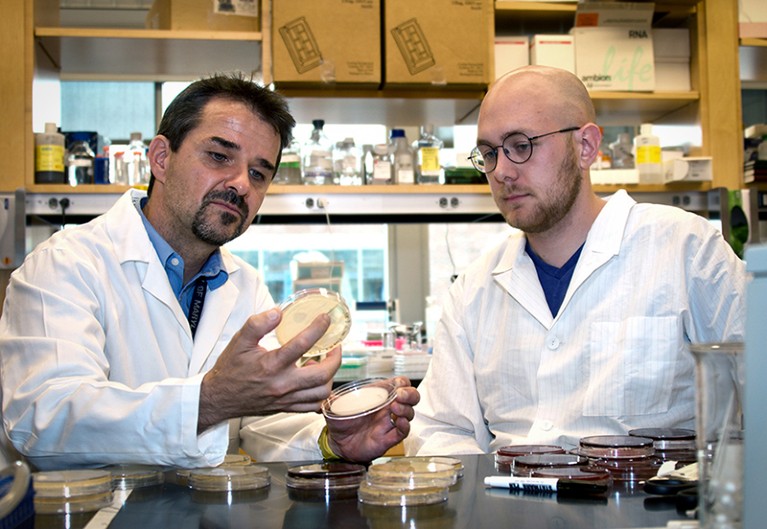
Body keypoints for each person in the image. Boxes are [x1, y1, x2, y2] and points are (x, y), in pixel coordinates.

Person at [0, 73, 418, 470]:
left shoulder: (247, 286)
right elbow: (43, 422)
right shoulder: (66, 265)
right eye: (219, 156)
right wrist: (210, 400)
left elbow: (259, 426)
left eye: (258, 173)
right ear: (161, 158)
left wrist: (331, 441)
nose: (241, 184)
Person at [404, 65, 747, 456]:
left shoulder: (687, 250)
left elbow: (757, 392)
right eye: (489, 153)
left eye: (521, 145)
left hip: (647, 510)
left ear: (585, 146)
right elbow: (443, 428)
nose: (502, 172)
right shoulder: (473, 289)